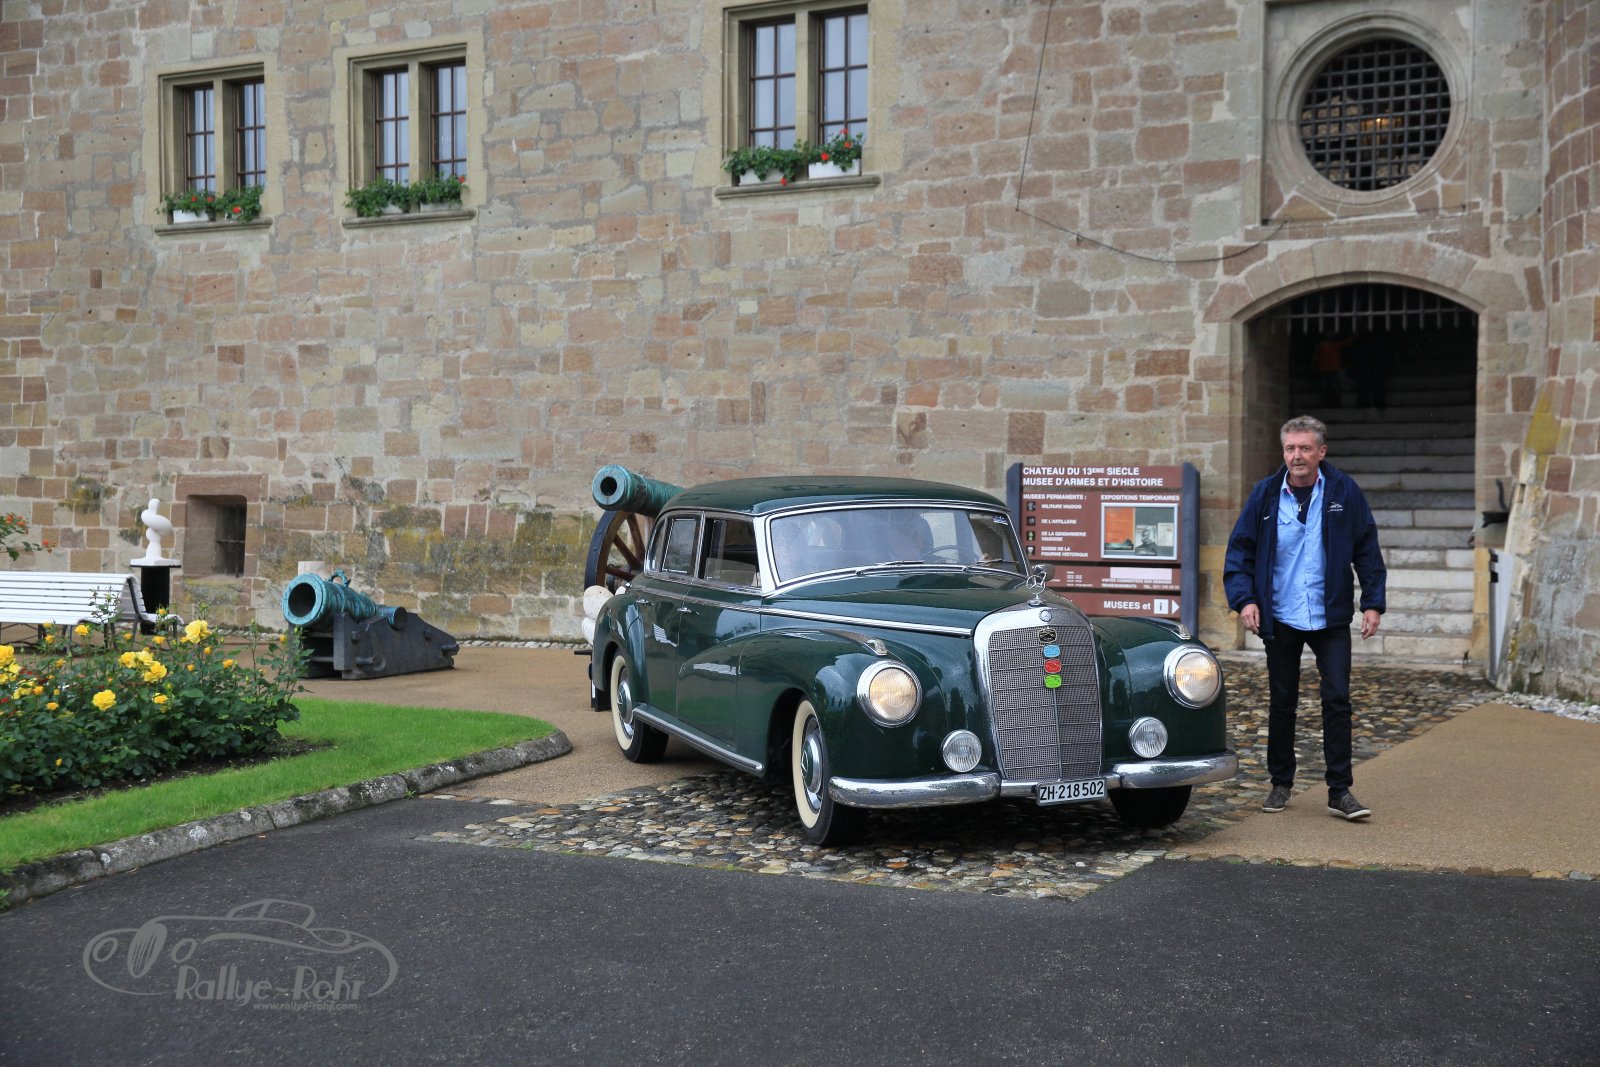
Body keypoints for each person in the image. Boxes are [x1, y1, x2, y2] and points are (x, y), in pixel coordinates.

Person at [1224, 415, 1387, 821]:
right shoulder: (1265, 494)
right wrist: (1245, 601)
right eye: (1290, 448)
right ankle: (1280, 783)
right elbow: (1240, 551)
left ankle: (1340, 791)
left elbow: (1366, 547)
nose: (1297, 455)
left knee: (1338, 700)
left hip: (1329, 615)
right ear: (1284, 452)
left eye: (1305, 448)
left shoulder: (1343, 491)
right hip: (1281, 615)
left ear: (1321, 452)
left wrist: (1372, 602)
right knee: (1283, 702)